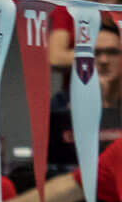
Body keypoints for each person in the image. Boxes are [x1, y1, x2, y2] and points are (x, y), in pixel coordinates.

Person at [46, 19, 122, 168]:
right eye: (95, 52)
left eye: (112, 52)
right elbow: (55, 166)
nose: (104, 60)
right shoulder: (61, 103)